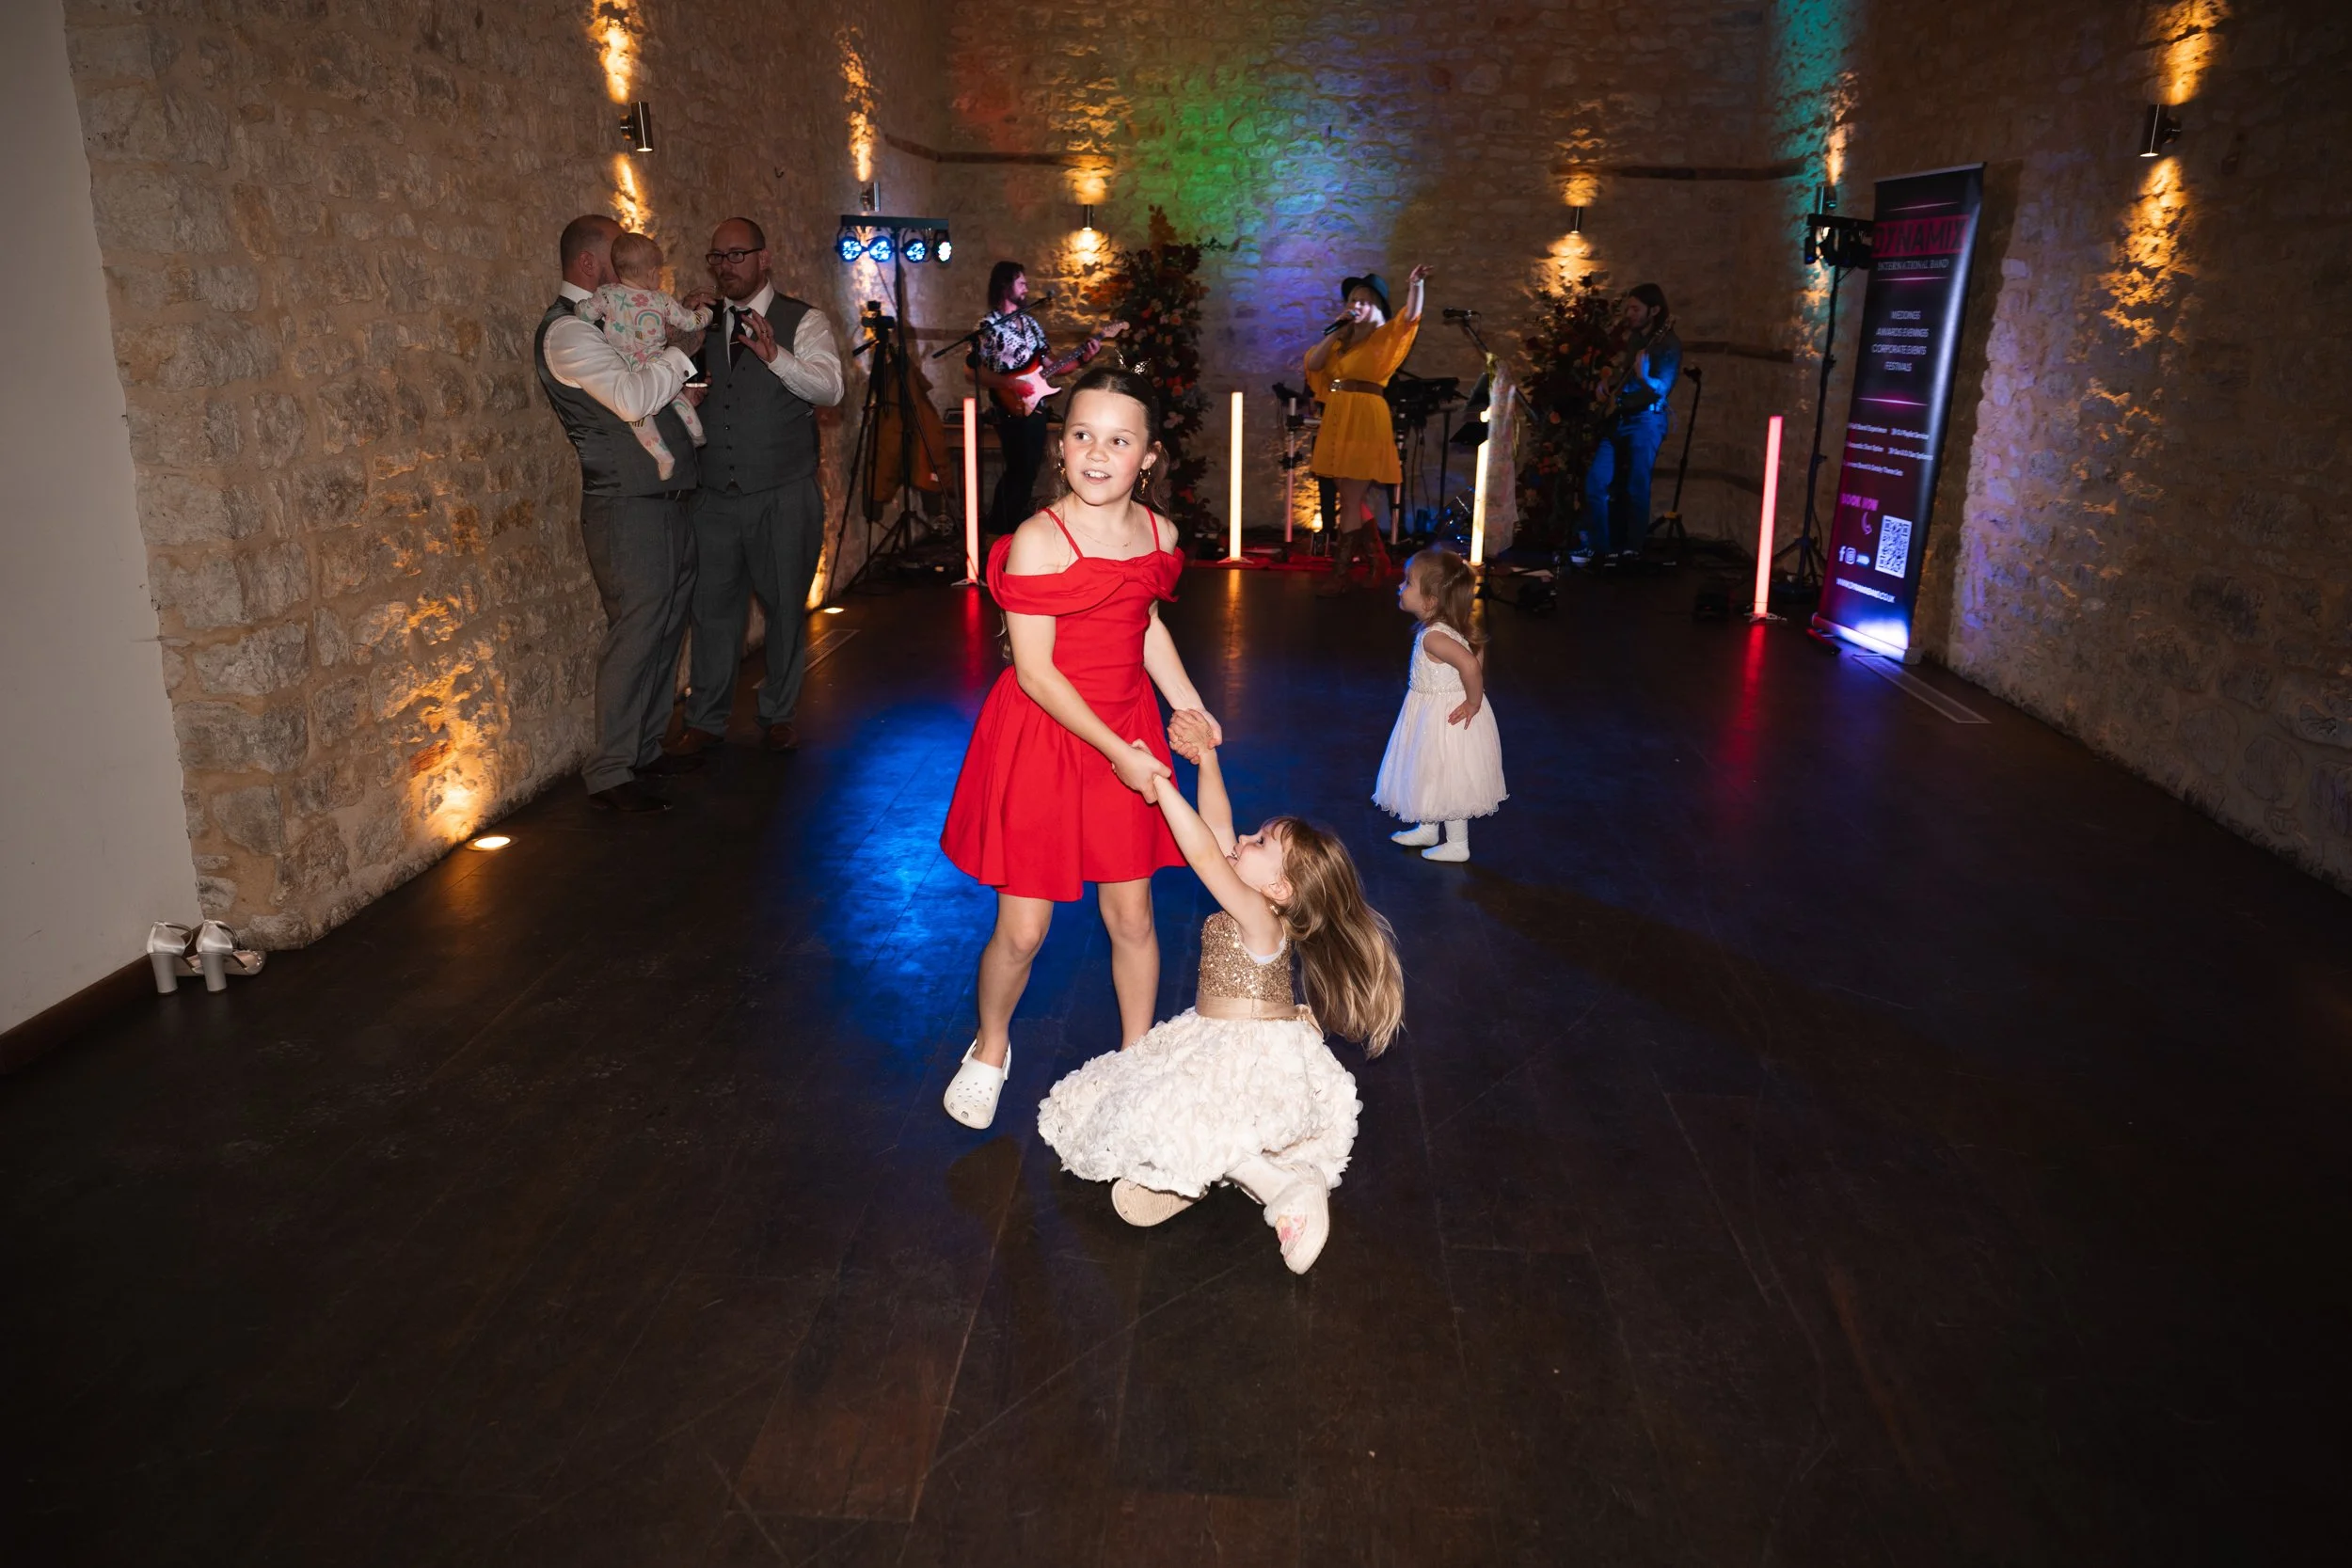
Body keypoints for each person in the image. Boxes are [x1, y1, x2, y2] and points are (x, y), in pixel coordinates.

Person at [939, 366, 1219, 1132]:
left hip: (1126, 723)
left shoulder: (1159, 534)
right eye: (1083, 435)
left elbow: (1144, 624)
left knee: (1133, 915)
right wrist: (1119, 751)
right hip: (1045, 733)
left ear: (1149, 456)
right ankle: (990, 1046)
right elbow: (1035, 672)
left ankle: (1136, 1063)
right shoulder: (1039, 540)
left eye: (1119, 440)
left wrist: (1187, 703)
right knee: (1024, 929)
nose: (1098, 452)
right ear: (1060, 446)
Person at [1038, 712, 1403, 1274]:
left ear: (1279, 887)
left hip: (1245, 1053)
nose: (1244, 839)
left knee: (1172, 1105)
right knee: (1138, 1097)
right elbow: (1217, 827)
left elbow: (1205, 854)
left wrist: (1158, 785)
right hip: (1214, 1036)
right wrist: (1207, 759)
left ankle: (1281, 1187)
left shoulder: (1257, 914)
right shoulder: (1258, 898)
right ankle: (1195, 1173)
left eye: (1259, 842)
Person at [535, 214, 706, 815]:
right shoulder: (568, 332)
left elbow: (644, 385)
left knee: (666, 626)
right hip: (626, 507)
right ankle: (610, 770)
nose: (635, 267)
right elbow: (632, 398)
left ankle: (643, 749)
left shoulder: (619, 318)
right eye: (620, 255)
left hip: (668, 500)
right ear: (590, 264)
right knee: (636, 632)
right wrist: (680, 354)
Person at [667, 217, 844, 757]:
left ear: (764, 259)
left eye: (736, 255)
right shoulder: (700, 321)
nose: (725, 266)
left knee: (785, 608)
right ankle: (705, 720)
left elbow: (830, 388)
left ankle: (778, 714)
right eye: (717, 257)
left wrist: (776, 357)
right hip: (714, 494)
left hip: (783, 492)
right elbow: (674, 385)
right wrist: (682, 340)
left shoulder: (803, 320)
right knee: (712, 612)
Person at [1375, 547, 1506, 863]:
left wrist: (1472, 701)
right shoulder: (1450, 628)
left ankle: (1458, 844)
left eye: (1408, 582)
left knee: (1449, 776)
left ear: (1430, 601)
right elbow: (1476, 654)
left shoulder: (1433, 637)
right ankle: (1428, 827)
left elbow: (1469, 666)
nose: (1400, 587)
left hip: (1444, 718)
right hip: (1432, 712)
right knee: (1429, 770)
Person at [1304, 264, 1428, 594]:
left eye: (1363, 300)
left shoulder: (1385, 336)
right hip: (1338, 416)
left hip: (1364, 417)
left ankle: (1341, 574)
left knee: (1351, 497)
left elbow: (1411, 316)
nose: (1355, 305)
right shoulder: (1342, 340)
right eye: (1352, 300)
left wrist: (1416, 285)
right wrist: (1336, 332)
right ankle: (1377, 559)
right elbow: (1314, 364)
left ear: (1378, 307)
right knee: (1350, 495)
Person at [972, 261, 1113, 535]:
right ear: (1005, 285)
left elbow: (1051, 365)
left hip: (1036, 406)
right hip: (1008, 404)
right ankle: (999, 529)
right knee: (1018, 468)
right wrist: (1010, 383)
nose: (1026, 288)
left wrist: (1084, 357)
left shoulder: (1031, 324)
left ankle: (1010, 530)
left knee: (1029, 470)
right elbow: (973, 371)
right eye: (1021, 283)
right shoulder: (988, 326)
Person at [575, 232, 712, 483]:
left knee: (639, 419)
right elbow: (690, 322)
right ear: (650, 273)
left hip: (629, 368)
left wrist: (579, 308)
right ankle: (697, 432)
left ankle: (663, 457)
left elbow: (585, 314)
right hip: (657, 362)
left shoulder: (607, 294)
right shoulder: (661, 300)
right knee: (676, 397)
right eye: (659, 272)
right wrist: (706, 314)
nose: (660, 277)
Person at [1578, 282, 1681, 565]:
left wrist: (1645, 377)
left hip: (1647, 419)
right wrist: (1607, 382)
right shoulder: (1636, 339)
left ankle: (1632, 549)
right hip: (1621, 416)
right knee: (1596, 482)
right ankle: (1601, 549)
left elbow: (1663, 388)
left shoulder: (1668, 344)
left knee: (1637, 485)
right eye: (1628, 309)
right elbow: (1625, 374)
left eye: (1636, 309)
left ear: (1654, 310)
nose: (1630, 315)